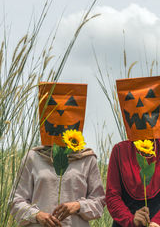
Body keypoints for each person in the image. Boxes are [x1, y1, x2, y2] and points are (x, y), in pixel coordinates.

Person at [9, 82, 105, 227]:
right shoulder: (33, 157)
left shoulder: (87, 159)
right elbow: (15, 201)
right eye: (53, 107)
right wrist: (37, 215)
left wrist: (78, 206)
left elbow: (99, 202)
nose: (60, 114)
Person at [106, 76, 160, 227]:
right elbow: (112, 196)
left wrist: (159, 221)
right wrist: (131, 220)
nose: (140, 108)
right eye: (132, 100)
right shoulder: (119, 151)